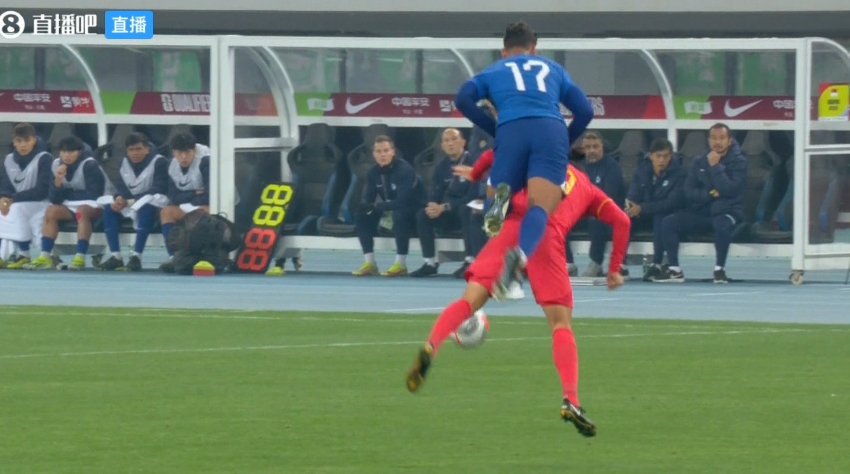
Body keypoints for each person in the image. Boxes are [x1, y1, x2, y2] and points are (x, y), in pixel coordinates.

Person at [404, 151, 631, 438]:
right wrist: (613, 269)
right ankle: (570, 399)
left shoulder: (539, 166)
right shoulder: (588, 188)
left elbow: (497, 152)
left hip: (512, 226)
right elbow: (623, 221)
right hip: (547, 236)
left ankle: (431, 346)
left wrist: (477, 174)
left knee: (469, 301)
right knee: (560, 325)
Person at [454, 21, 594, 293]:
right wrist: (564, 141)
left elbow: (463, 98)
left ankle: (498, 216)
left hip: (512, 131)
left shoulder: (494, 70)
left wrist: (494, 128)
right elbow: (585, 111)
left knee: (496, 204)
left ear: (503, 51)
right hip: (550, 132)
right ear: (534, 49)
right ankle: (520, 256)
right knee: (540, 206)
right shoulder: (553, 69)